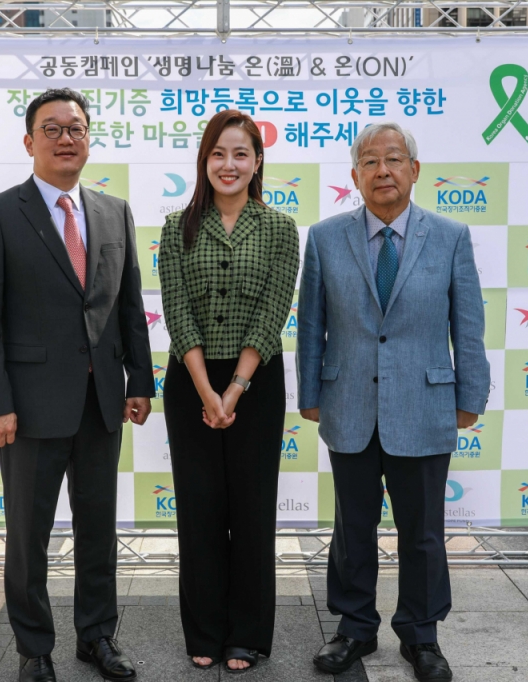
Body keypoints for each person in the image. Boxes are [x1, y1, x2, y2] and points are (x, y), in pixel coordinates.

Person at [0, 88, 154, 682]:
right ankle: (34, 648)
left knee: (99, 531)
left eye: (76, 128)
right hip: (28, 408)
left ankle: (96, 637)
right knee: (29, 537)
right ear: (29, 141)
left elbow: (128, 303)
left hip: (101, 403)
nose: (65, 138)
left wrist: (139, 380)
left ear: (88, 140)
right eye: (52, 128)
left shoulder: (113, 211)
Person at [297, 123, 490, 682]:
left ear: (414, 169)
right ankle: (354, 628)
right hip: (348, 404)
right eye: (370, 162)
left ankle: (421, 635)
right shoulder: (326, 238)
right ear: (355, 175)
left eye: (394, 159)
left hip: (426, 405)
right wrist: (310, 393)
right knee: (352, 529)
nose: (383, 170)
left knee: (423, 532)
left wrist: (470, 396)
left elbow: (468, 325)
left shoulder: (450, 236)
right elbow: (311, 324)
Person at [158, 109, 299, 675]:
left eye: (241, 153)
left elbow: (272, 312)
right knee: (199, 510)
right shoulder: (177, 226)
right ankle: (205, 631)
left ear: (257, 162)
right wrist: (205, 391)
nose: (229, 164)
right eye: (218, 153)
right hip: (190, 380)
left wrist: (234, 390)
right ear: (204, 161)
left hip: (256, 383)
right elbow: (177, 310)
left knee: (252, 509)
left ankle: (247, 634)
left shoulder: (280, 228)